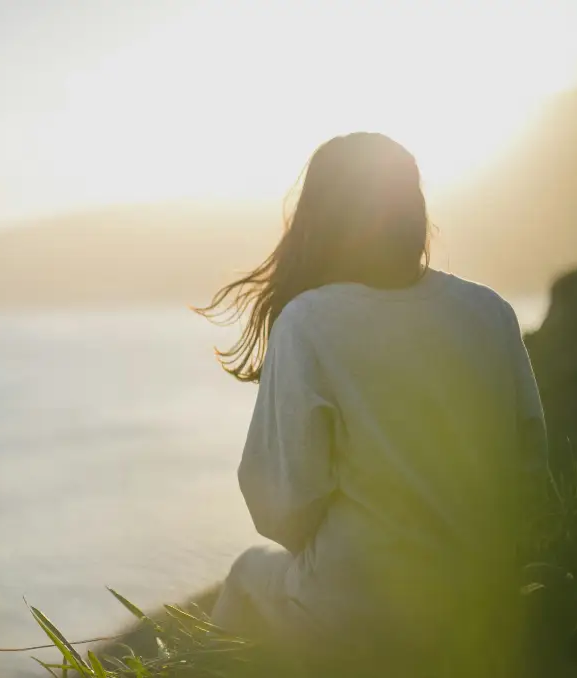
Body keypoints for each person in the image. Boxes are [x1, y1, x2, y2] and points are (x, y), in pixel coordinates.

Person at [196, 132, 547, 672]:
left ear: (320, 219)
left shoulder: (310, 321)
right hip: (485, 604)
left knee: (247, 575)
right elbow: (529, 469)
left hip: (361, 614)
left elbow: (281, 507)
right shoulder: (490, 312)